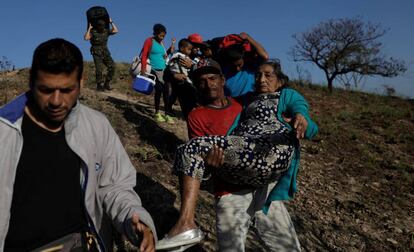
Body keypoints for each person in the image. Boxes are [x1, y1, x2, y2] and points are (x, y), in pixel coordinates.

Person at [0, 38, 156, 252]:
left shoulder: (96, 125)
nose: (56, 101)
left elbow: (114, 186)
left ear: (81, 82)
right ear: (31, 80)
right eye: (46, 89)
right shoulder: (4, 132)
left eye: (66, 90)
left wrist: (134, 219)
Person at [157, 61, 317, 251]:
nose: (209, 85)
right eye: (201, 81)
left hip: (265, 183)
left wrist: (301, 120)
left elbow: (305, 117)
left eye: (213, 78)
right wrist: (210, 165)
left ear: (223, 80)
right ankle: (185, 224)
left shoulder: (246, 102)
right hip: (230, 190)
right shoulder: (201, 114)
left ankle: (186, 225)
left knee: (286, 247)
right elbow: (200, 166)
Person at [139, 23, 175, 123]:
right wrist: (143, 70)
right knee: (158, 90)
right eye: (161, 35)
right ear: (156, 33)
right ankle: (157, 113)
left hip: (164, 70)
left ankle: (167, 114)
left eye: (164, 36)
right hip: (153, 69)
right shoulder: (149, 41)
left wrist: (169, 50)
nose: (162, 37)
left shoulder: (161, 44)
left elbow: (164, 56)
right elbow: (144, 55)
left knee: (166, 92)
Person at [218, 32, 269, 97]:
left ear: (243, 59)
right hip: (233, 105)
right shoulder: (223, 70)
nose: (237, 68)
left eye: (239, 65)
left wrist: (248, 37)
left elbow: (264, 56)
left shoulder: (250, 66)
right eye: (233, 66)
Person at [164, 38, 199, 120]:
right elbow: (169, 64)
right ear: (182, 48)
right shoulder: (179, 56)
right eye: (189, 49)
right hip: (182, 82)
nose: (192, 50)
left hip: (186, 81)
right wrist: (174, 74)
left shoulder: (191, 58)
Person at [84, 17, 118, 91]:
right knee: (99, 69)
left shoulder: (106, 31)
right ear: (97, 26)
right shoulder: (93, 31)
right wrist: (89, 28)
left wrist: (111, 22)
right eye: (100, 26)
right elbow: (86, 38)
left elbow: (116, 30)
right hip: (96, 52)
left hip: (105, 52)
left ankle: (107, 83)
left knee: (112, 66)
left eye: (103, 25)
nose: (101, 27)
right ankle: (99, 85)